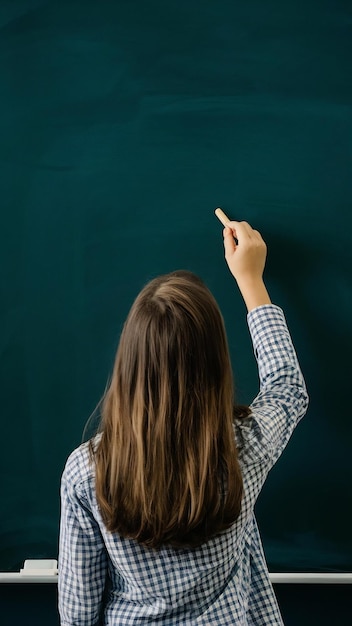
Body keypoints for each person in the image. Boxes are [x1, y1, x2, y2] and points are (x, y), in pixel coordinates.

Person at [58, 220, 309, 625]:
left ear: (130, 364)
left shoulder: (87, 472)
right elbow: (287, 388)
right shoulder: (244, 448)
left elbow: (78, 614)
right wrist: (251, 282)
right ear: (215, 364)